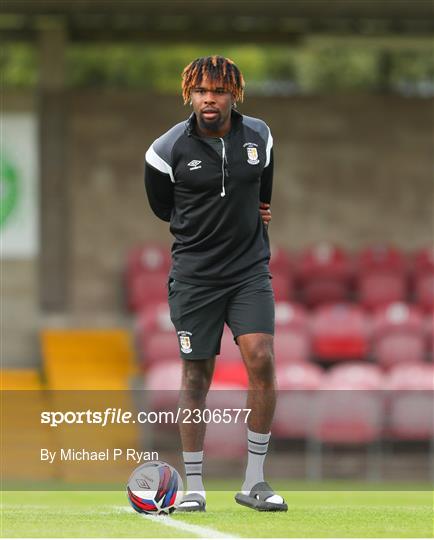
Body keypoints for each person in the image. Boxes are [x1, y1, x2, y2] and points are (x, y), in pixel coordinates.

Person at [144, 55, 287, 512]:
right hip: (195, 277)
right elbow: (163, 208)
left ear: (234, 95)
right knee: (195, 375)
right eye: (202, 91)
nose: (210, 99)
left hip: (248, 270)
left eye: (220, 91)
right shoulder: (164, 151)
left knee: (261, 356)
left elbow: (262, 195)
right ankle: (196, 487)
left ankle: (255, 482)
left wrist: (253, 214)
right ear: (189, 94)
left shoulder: (260, 136)